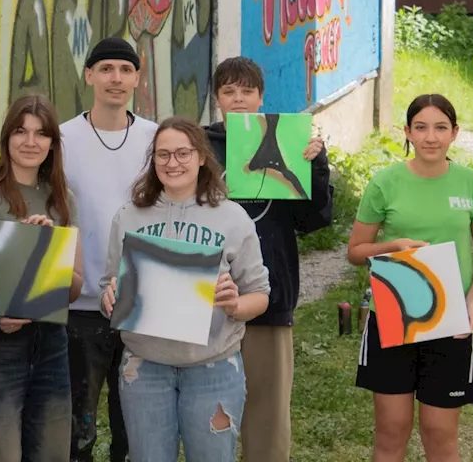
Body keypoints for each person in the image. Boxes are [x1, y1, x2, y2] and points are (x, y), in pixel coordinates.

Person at [98, 117, 271, 462]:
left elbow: (260, 295)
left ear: (201, 157)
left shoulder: (232, 217)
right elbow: (109, 288)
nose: (172, 163)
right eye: (163, 155)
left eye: (182, 153)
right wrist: (109, 299)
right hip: (145, 368)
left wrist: (234, 304)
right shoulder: (128, 217)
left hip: (214, 368)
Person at [347, 94, 473, 462]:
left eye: (440, 127)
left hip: (451, 321)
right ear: (408, 133)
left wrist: (472, 304)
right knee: (391, 431)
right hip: (392, 317)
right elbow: (355, 251)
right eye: (421, 127)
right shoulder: (385, 183)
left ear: (455, 133)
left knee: (440, 433)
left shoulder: (471, 184)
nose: (431, 137)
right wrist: (393, 246)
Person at [202, 56, 333, 462]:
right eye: (229, 91)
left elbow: (313, 222)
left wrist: (317, 168)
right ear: (217, 99)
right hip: (206, 296)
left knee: (268, 415)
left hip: (270, 297)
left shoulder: (287, 142)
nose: (238, 100)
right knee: (208, 411)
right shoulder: (198, 148)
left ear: (261, 97)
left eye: (247, 91)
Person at [0, 94, 86, 462]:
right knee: (1, 453)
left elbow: (76, 287)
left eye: (40, 133)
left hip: (51, 343)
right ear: (6, 138)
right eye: (21, 131)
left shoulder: (63, 198)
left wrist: (47, 250)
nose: (30, 142)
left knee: (52, 453)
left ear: (52, 143)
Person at [59, 37, 159, 462]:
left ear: (137, 77)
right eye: (105, 69)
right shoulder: (62, 138)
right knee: (77, 430)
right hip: (79, 306)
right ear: (89, 76)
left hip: (143, 302)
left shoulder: (156, 138)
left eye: (124, 69)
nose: (115, 78)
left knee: (134, 428)